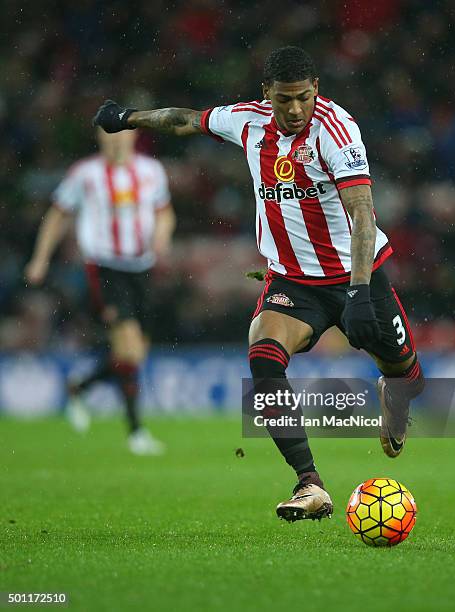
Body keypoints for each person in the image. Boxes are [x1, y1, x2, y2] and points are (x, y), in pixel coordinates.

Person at [93, 46, 424, 518]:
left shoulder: (336, 129)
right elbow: (185, 119)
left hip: (356, 274)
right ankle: (310, 485)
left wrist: (357, 293)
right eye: (284, 99)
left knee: (408, 376)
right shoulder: (247, 121)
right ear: (266, 94)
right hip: (293, 282)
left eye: (304, 98)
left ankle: (395, 399)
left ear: (316, 92)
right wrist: (129, 117)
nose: (294, 109)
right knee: (263, 356)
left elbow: (363, 215)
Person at [25, 127, 176, 455]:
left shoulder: (151, 171)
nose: (116, 139)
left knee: (133, 354)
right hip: (106, 268)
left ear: (134, 136)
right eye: (109, 133)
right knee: (130, 350)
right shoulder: (85, 174)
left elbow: (165, 213)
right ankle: (136, 432)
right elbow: (57, 215)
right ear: (99, 137)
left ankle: (79, 387)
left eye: (122, 133)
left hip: (142, 268)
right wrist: (40, 258)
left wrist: (162, 237)